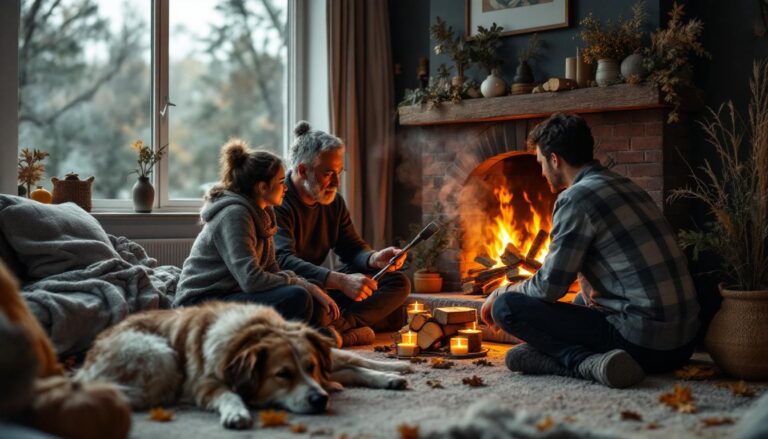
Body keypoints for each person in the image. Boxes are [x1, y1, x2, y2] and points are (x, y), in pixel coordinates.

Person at [481, 113, 700, 388]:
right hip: (684, 345)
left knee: (506, 308)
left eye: (540, 163)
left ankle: (582, 362)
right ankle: (563, 355)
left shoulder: (575, 198)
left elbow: (549, 287)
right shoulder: (627, 185)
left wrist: (501, 291)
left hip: (642, 344)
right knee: (580, 302)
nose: (542, 172)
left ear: (555, 159)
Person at [174, 139, 340, 329]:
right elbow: (251, 280)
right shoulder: (235, 215)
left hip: (232, 291)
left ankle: (317, 336)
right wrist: (301, 285)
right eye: (280, 182)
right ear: (262, 188)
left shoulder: (263, 213)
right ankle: (319, 336)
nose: (285, 187)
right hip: (200, 302)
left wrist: (309, 285)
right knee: (298, 296)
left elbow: (271, 268)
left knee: (311, 291)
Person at [274, 121, 411, 347]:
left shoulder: (333, 202)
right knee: (304, 302)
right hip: (295, 287)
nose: (337, 182)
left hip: (324, 288)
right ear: (302, 170)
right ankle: (337, 329)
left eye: (339, 172)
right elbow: (282, 261)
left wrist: (374, 258)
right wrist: (340, 281)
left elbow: (351, 248)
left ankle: (337, 327)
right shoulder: (278, 201)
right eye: (328, 173)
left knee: (397, 282)